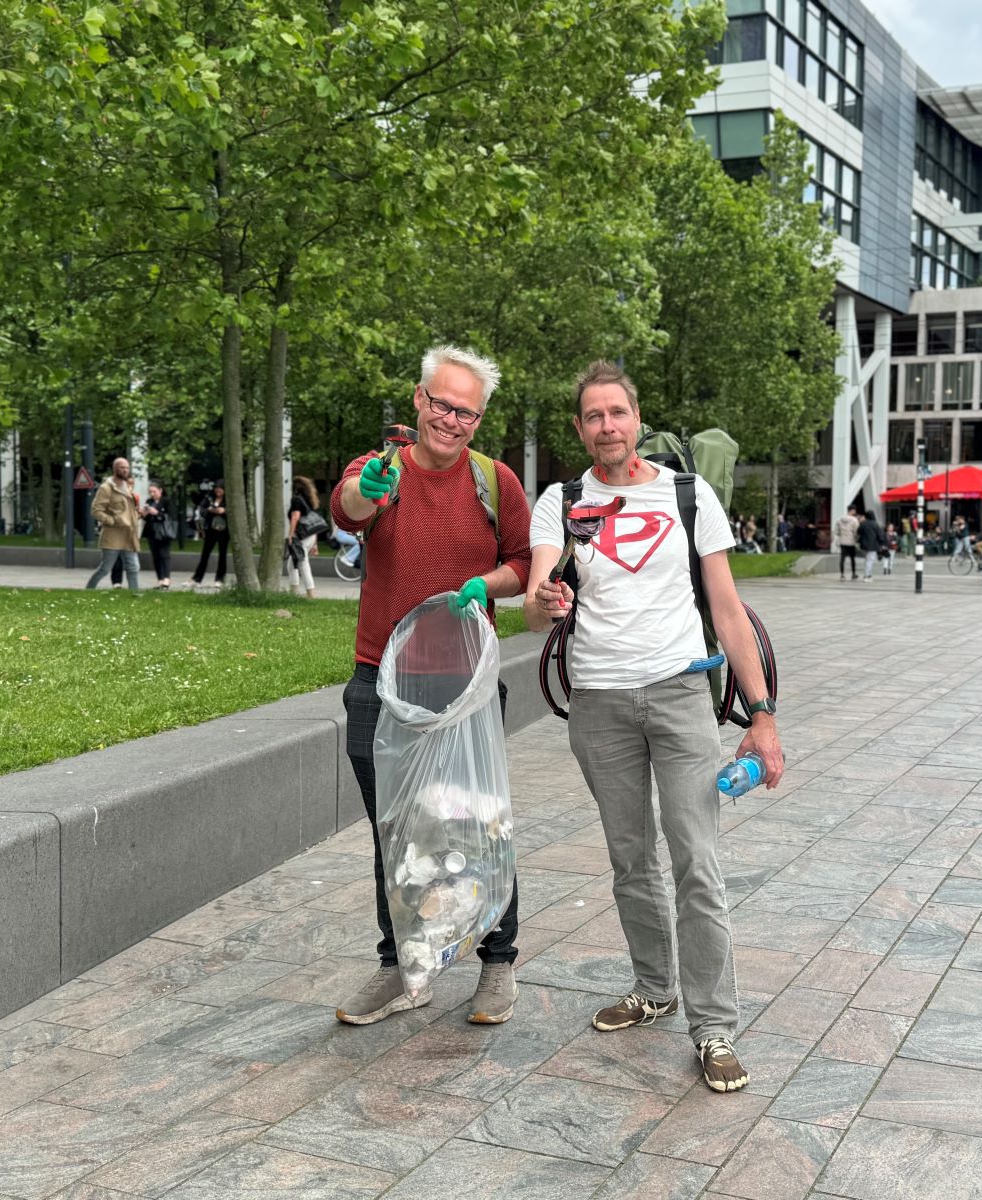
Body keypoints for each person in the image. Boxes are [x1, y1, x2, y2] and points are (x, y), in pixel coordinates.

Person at [524, 360, 782, 1095]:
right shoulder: (561, 502)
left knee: (696, 859)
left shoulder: (688, 494)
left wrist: (762, 715)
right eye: (593, 416)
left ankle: (714, 1026)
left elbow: (727, 610)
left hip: (679, 695)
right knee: (631, 859)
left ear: (637, 419)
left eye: (618, 412)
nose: (607, 425)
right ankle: (653, 987)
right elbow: (536, 606)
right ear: (580, 429)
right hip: (599, 702)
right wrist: (544, 601)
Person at [329, 344, 531, 1029]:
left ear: (479, 419)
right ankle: (400, 966)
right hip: (381, 682)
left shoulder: (495, 481)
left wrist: (486, 584)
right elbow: (349, 508)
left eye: (466, 412)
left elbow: (523, 561)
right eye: (441, 404)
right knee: (394, 829)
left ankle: (497, 962)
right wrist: (368, 492)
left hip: (466, 686)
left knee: (480, 824)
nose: (451, 420)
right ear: (418, 400)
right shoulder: (381, 467)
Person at [85, 457, 142, 591]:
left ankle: (135, 594)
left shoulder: (128, 487)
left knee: (133, 567)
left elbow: (127, 511)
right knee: (105, 568)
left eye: (127, 468)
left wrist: (138, 514)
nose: (125, 470)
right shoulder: (106, 488)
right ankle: (89, 590)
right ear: (115, 469)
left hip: (129, 534)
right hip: (113, 535)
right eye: (122, 467)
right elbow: (96, 511)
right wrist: (112, 521)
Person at [286, 475, 322, 599]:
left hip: (301, 536)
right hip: (310, 536)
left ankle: (310, 593)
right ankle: (294, 591)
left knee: (302, 563)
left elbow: (295, 517)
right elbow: (314, 523)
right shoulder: (310, 501)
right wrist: (315, 544)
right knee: (292, 564)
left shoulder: (296, 500)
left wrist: (290, 535)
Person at [189, 482, 229, 588]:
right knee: (205, 554)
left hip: (224, 530)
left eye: (220, 489)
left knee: (222, 554)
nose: (218, 491)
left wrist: (224, 511)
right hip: (211, 529)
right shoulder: (209, 498)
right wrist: (210, 510)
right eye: (216, 488)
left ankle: (220, 579)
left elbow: (234, 511)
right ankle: (197, 579)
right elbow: (201, 510)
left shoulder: (229, 499)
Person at [142, 482, 175, 590]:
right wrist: (145, 513)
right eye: (150, 492)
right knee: (155, 556)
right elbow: (146, 518)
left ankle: (166, 579)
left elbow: (170, 516)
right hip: (151, 531)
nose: (152, 494)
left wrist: (157, 513)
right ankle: (160, 579)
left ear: (160, 490)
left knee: (164, 554)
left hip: (163, 531)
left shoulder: (166, 501)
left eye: (154, 491)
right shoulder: (149, 501)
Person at [834, 503, 860, 581]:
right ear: (852, 510)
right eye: (854, 510)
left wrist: (841, 534)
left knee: (842, 558)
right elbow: (856, 531)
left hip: (842, 541)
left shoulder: (839, 519)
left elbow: (836, 531)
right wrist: (856, 538)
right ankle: (853, 574)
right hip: (851, 541)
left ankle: (842, 575)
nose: (855, 511)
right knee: (852, 558)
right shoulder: (854, 520)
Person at [857, 509, 884, 582]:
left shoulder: (863, 524)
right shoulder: (875, 524)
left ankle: (868, 574)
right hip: (873, 545)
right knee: (870, 560)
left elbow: (858, 531)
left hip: (864, 545)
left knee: (867, 560)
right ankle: (867, 575)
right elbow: (880, 535)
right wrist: (881, 543)